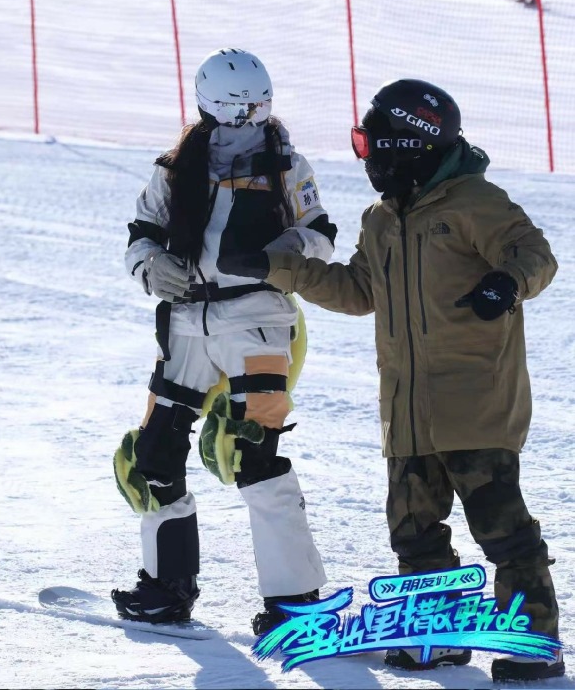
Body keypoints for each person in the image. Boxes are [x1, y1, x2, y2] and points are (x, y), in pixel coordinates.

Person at [227, 78, 564, 682]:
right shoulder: (382, 220)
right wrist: (276, 267)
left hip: (474, 403)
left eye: (375, 146)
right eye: (363, 146)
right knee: (414, 533)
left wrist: (506, 282)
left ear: (415, 146)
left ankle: (532, 642)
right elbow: (358, 291)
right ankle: (436, 637)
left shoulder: (473, 204)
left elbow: (534, 252)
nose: (370, 160)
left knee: (502, 529)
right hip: (407, 408)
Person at [111, 48, 336, 634]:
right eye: (235, 106)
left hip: (256, 318)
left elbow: (319, 234)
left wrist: (276, 256)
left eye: (258, 105)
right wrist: (149, 267)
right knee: (153, 453)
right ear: (208, 103)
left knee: (251, 451)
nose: (247, 117)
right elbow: (141, 233)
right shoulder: (174, 165)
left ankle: (296, 604)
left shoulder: (285, 163)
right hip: (185, 320)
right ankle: (166, 587)